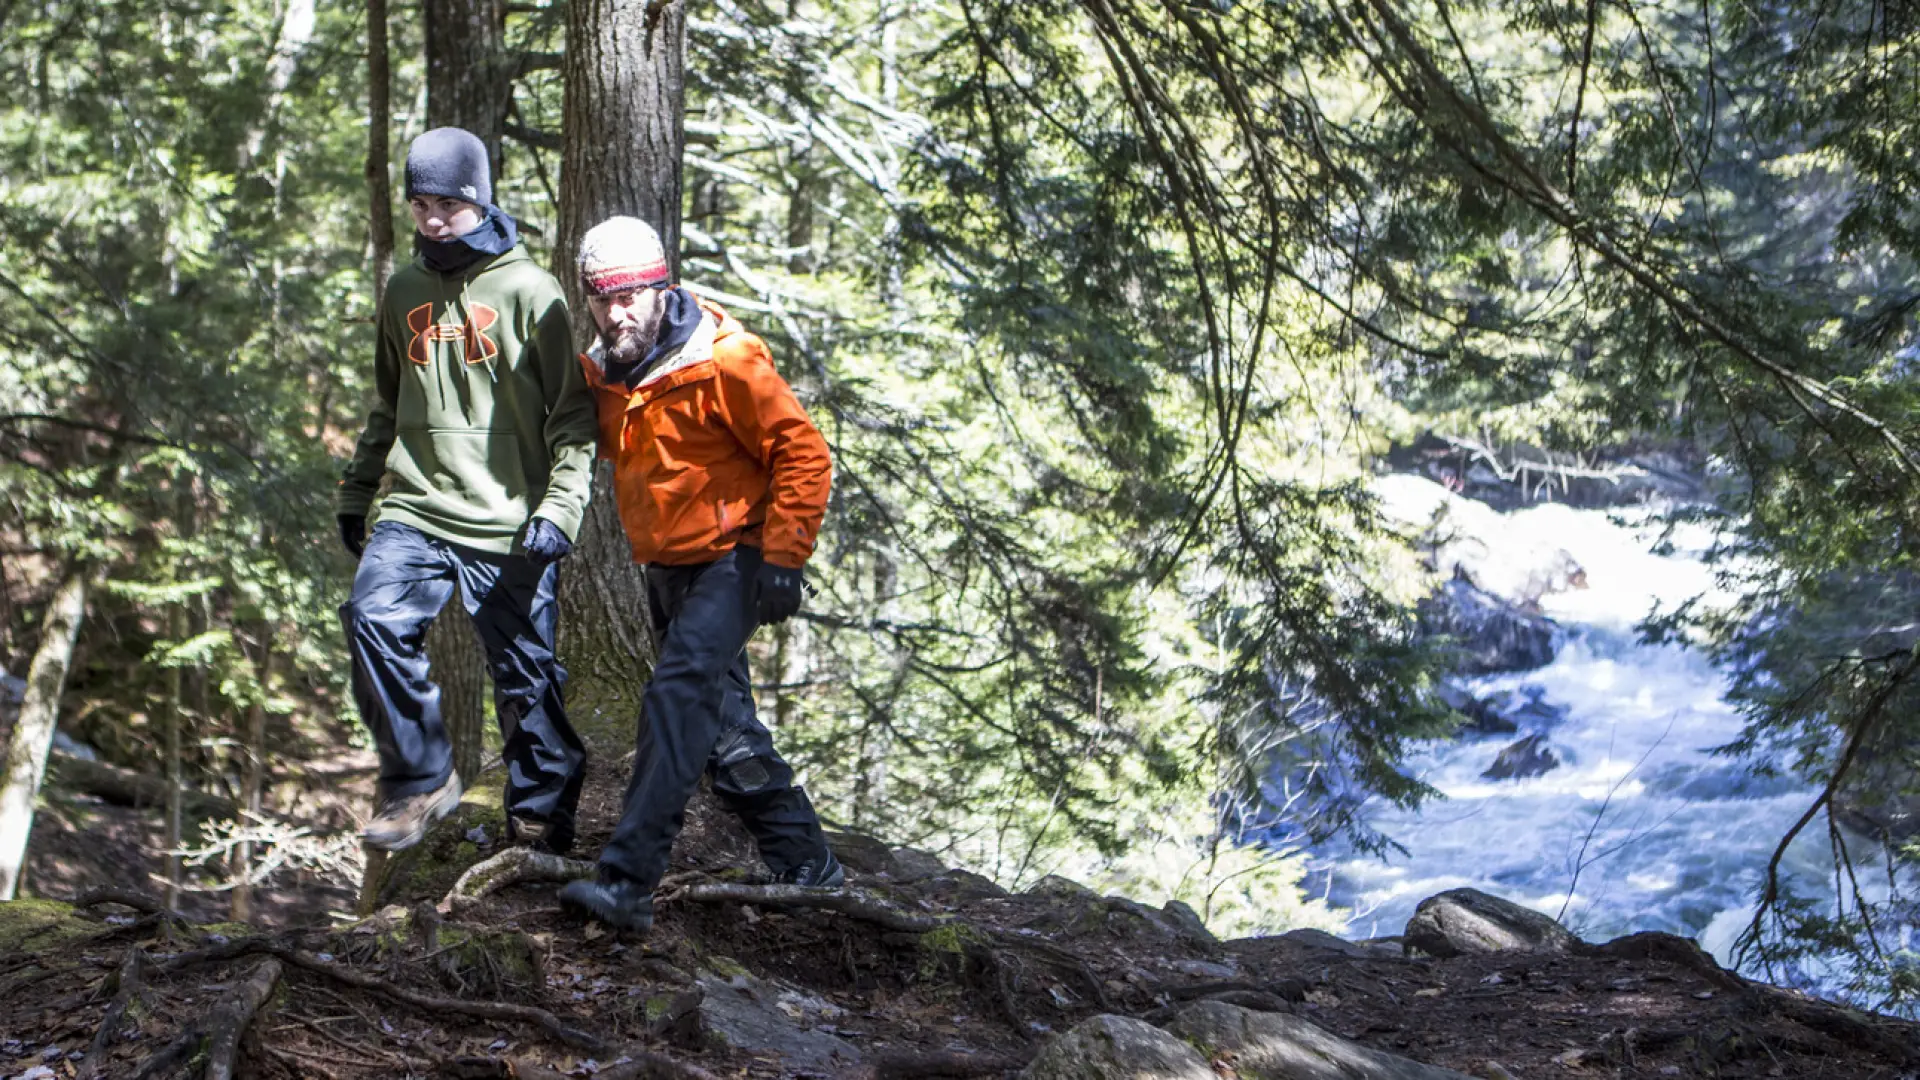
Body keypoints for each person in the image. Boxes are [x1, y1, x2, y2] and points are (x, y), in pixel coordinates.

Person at [557, 216, 840, 931]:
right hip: (667, 570)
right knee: (721, 731)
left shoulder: (726, 360)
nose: (617, 311)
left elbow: (805, 454)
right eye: (602, 298)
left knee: (674, 698)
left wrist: (783, 557)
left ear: (662, 286)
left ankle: (627, 881)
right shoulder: (603, 374)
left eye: (630, 296)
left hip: (736, 557)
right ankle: (810, 864)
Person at [336, 127, 596, 855]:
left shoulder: (531, 292)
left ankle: (541, 821)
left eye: (447, 202)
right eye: (419, 204)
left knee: (526, 680)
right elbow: (389, 404)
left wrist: (560, 508)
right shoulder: (404, 289)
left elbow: (574, 419)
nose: (432, 219)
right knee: (371, 618)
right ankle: (420, 779)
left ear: (478, 199)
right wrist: (359, 491)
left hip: (510, 520)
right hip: (416, 506)